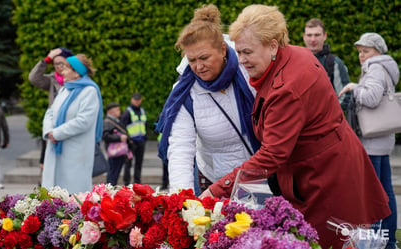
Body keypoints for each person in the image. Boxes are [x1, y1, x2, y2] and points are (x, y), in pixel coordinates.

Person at [199, 5, 390, 249]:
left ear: (272, 46)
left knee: (325, 242)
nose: (242, 60)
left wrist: (217, 189)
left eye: (247, 52)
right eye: (239, 52)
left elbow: (273, 154)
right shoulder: (295, 55)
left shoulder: (286, 88)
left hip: (326, 177)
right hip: (330, 163)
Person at [156, 4, 260, 194]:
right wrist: (182, 200)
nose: (199, 66)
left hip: (259, 173)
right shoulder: (184, 91)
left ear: (222, 49)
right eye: (192, 60)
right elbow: (181, 147)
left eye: (204, 57)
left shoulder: (249, 69)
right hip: (214, 179)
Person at [339, 32, 399, 249]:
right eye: (360, 52)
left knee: (374, 195)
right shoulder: (386, 68)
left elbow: (372, 98)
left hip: (372, 142)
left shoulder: (374, 68)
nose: (362, 56)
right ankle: (389, 240)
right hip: (382, 140)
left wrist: (355, 88)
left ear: (377, 51)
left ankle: (376, 241)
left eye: (366, 51)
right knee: (386, 191)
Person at [42, 54, 103, 194]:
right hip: (56, 148)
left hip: (76, 154)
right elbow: (50, 112)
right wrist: (49, 131)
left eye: (66, 69)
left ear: (76, 73)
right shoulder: (65, 89)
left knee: (74, 195)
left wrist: (57, 133)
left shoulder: (89, 91)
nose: (62, 71)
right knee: (54, 195)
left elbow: (84, 121)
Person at [29, 47, 74, 171]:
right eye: (55, 64)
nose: (58, 67)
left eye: (61, 63)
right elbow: (34, 78)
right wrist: (46, 60)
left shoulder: (77, 80)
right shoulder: (51, 80)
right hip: (54, 123)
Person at [303, 18, 351, 112]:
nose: (313, 39)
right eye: (309, 35)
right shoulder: (295, 61)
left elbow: (345, 98)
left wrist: (325, 116)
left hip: (326, 124)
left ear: (325, 36)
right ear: (304, 36)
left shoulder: (334, 63)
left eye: (317, 35)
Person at [121, 93, 148, 185]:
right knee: (128, 163)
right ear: (131, 100)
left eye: (138, 100)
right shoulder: (127, 112)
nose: (137, 101)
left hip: (141, 141)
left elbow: (145, 125)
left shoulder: (143, 111)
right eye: (135, 99)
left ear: (141, 100)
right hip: (131, 142)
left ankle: (137, 182)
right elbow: (122, 127)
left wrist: (145, 137)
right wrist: (128, 139)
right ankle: (127, 183)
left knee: (139, 163)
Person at [103, 102, 129, 186]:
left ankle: (111, 189)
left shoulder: (115, 121)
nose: (119, 111)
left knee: (115, 172)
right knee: (113, 173)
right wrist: (119, 138)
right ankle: (110, 190)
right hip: (115, 152)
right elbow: (106, 136)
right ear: (111, 111)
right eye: (117, 110)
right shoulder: (108, 122)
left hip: (118, 151)